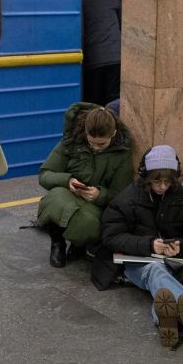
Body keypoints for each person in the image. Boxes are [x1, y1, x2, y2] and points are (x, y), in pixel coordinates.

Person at [91, 146, 183, 348]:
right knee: (155, 270)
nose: (162, 187)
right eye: (157, 181)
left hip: (175, 261)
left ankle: (166, 320)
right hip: (137, 262)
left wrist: (180, 247)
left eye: (168, 182)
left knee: (160, 277)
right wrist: (148, 245)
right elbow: (111, 236)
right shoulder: (126, 200)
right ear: (145, 176)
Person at [37, 103, 134, 268]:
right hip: (68, 195)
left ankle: (80, 242)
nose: (96, 148)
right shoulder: (70, 142)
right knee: (54, 200)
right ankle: (57, 242)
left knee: (90, 225)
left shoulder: (122, 155)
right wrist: (67, 181)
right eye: (91, 143)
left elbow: (122, 196)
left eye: (102, 144)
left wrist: (100, 195)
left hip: (96, 206)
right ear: (85, 133)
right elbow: (45, 175)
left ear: (114, 134)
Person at [82, 0, 121, 106]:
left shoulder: (79, 0)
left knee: (94, 103)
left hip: (93, 61)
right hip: (115, 58)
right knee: (114, 101)